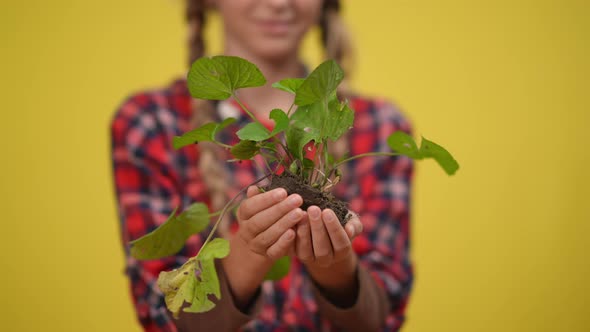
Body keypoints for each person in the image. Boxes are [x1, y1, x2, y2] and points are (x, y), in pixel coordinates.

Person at [111, 0, 414, 331]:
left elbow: (380, 318)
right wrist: (251, 248)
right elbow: (162, 315)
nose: (278, 2)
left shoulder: (381, 127)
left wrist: (335, 265)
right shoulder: (152, 123)